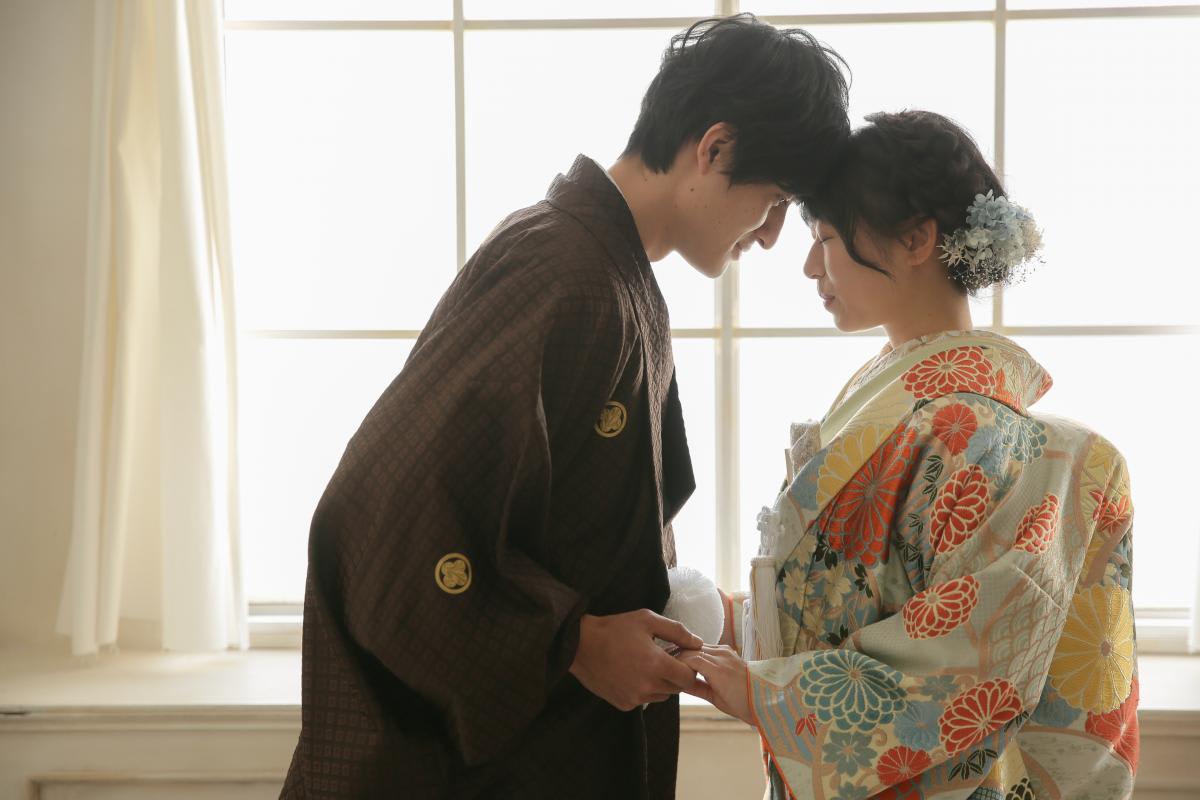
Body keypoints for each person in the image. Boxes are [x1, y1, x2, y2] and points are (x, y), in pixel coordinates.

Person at [280, 14, 850, 799]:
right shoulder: (561, 270)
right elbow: (381, 515)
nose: (774, 236)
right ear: (715, 150)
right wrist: (573, 642)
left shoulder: (609, 273)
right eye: (775, 200)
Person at [681, 110, 1138, 799]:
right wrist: (734, 621)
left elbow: (967, 662)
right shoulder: (900, 406)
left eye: (826, 238)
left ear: (918, 238)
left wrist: (773, 695)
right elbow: (846, 595)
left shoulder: (979, 435)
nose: (810, 266)